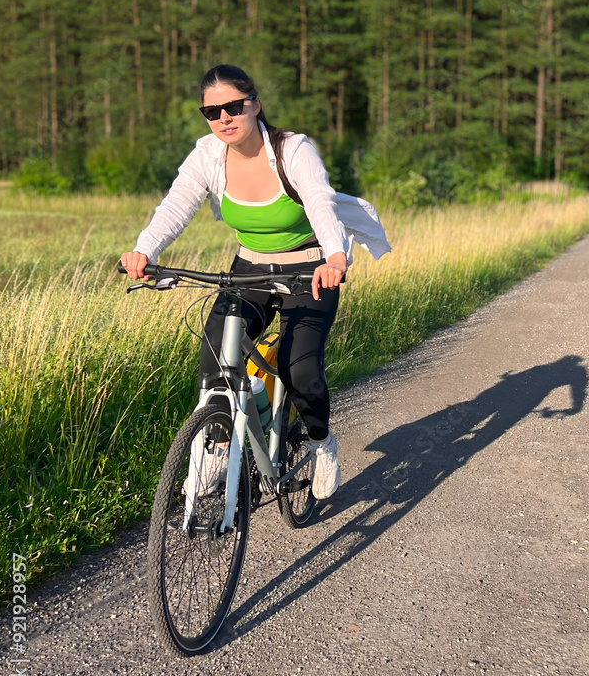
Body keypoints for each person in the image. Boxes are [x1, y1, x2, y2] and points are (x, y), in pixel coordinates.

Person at [120, 63, 390, 499]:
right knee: (215, 354)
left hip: (309, 268)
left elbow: (321, 202)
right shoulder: (207, 155)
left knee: (298, 367)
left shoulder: (292, 150)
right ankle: (220, 445)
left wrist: (336, 257)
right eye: (212, 112)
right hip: (249, 268)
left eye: (232, 106)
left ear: (255, 104)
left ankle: (322, 444)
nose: (223, 118)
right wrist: (144, 250)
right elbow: (174, 208)